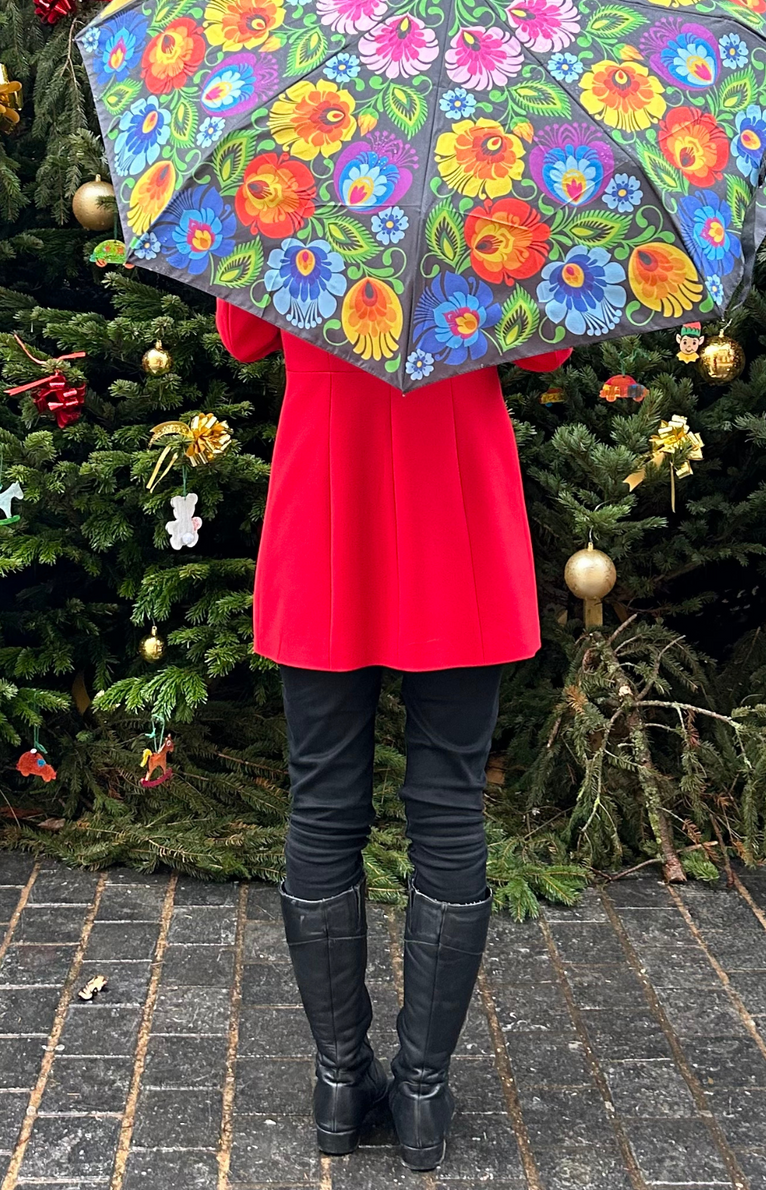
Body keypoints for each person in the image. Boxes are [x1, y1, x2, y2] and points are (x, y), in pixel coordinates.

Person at [216, 300, 570, 1171]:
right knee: (449, 800)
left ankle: (340, 1082)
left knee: (323, 797)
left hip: (325, 501)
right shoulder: (495, 179)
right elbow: (547, 353)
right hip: (457, 505)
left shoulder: (295, 175)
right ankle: (419, 1093)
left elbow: (242, 336)